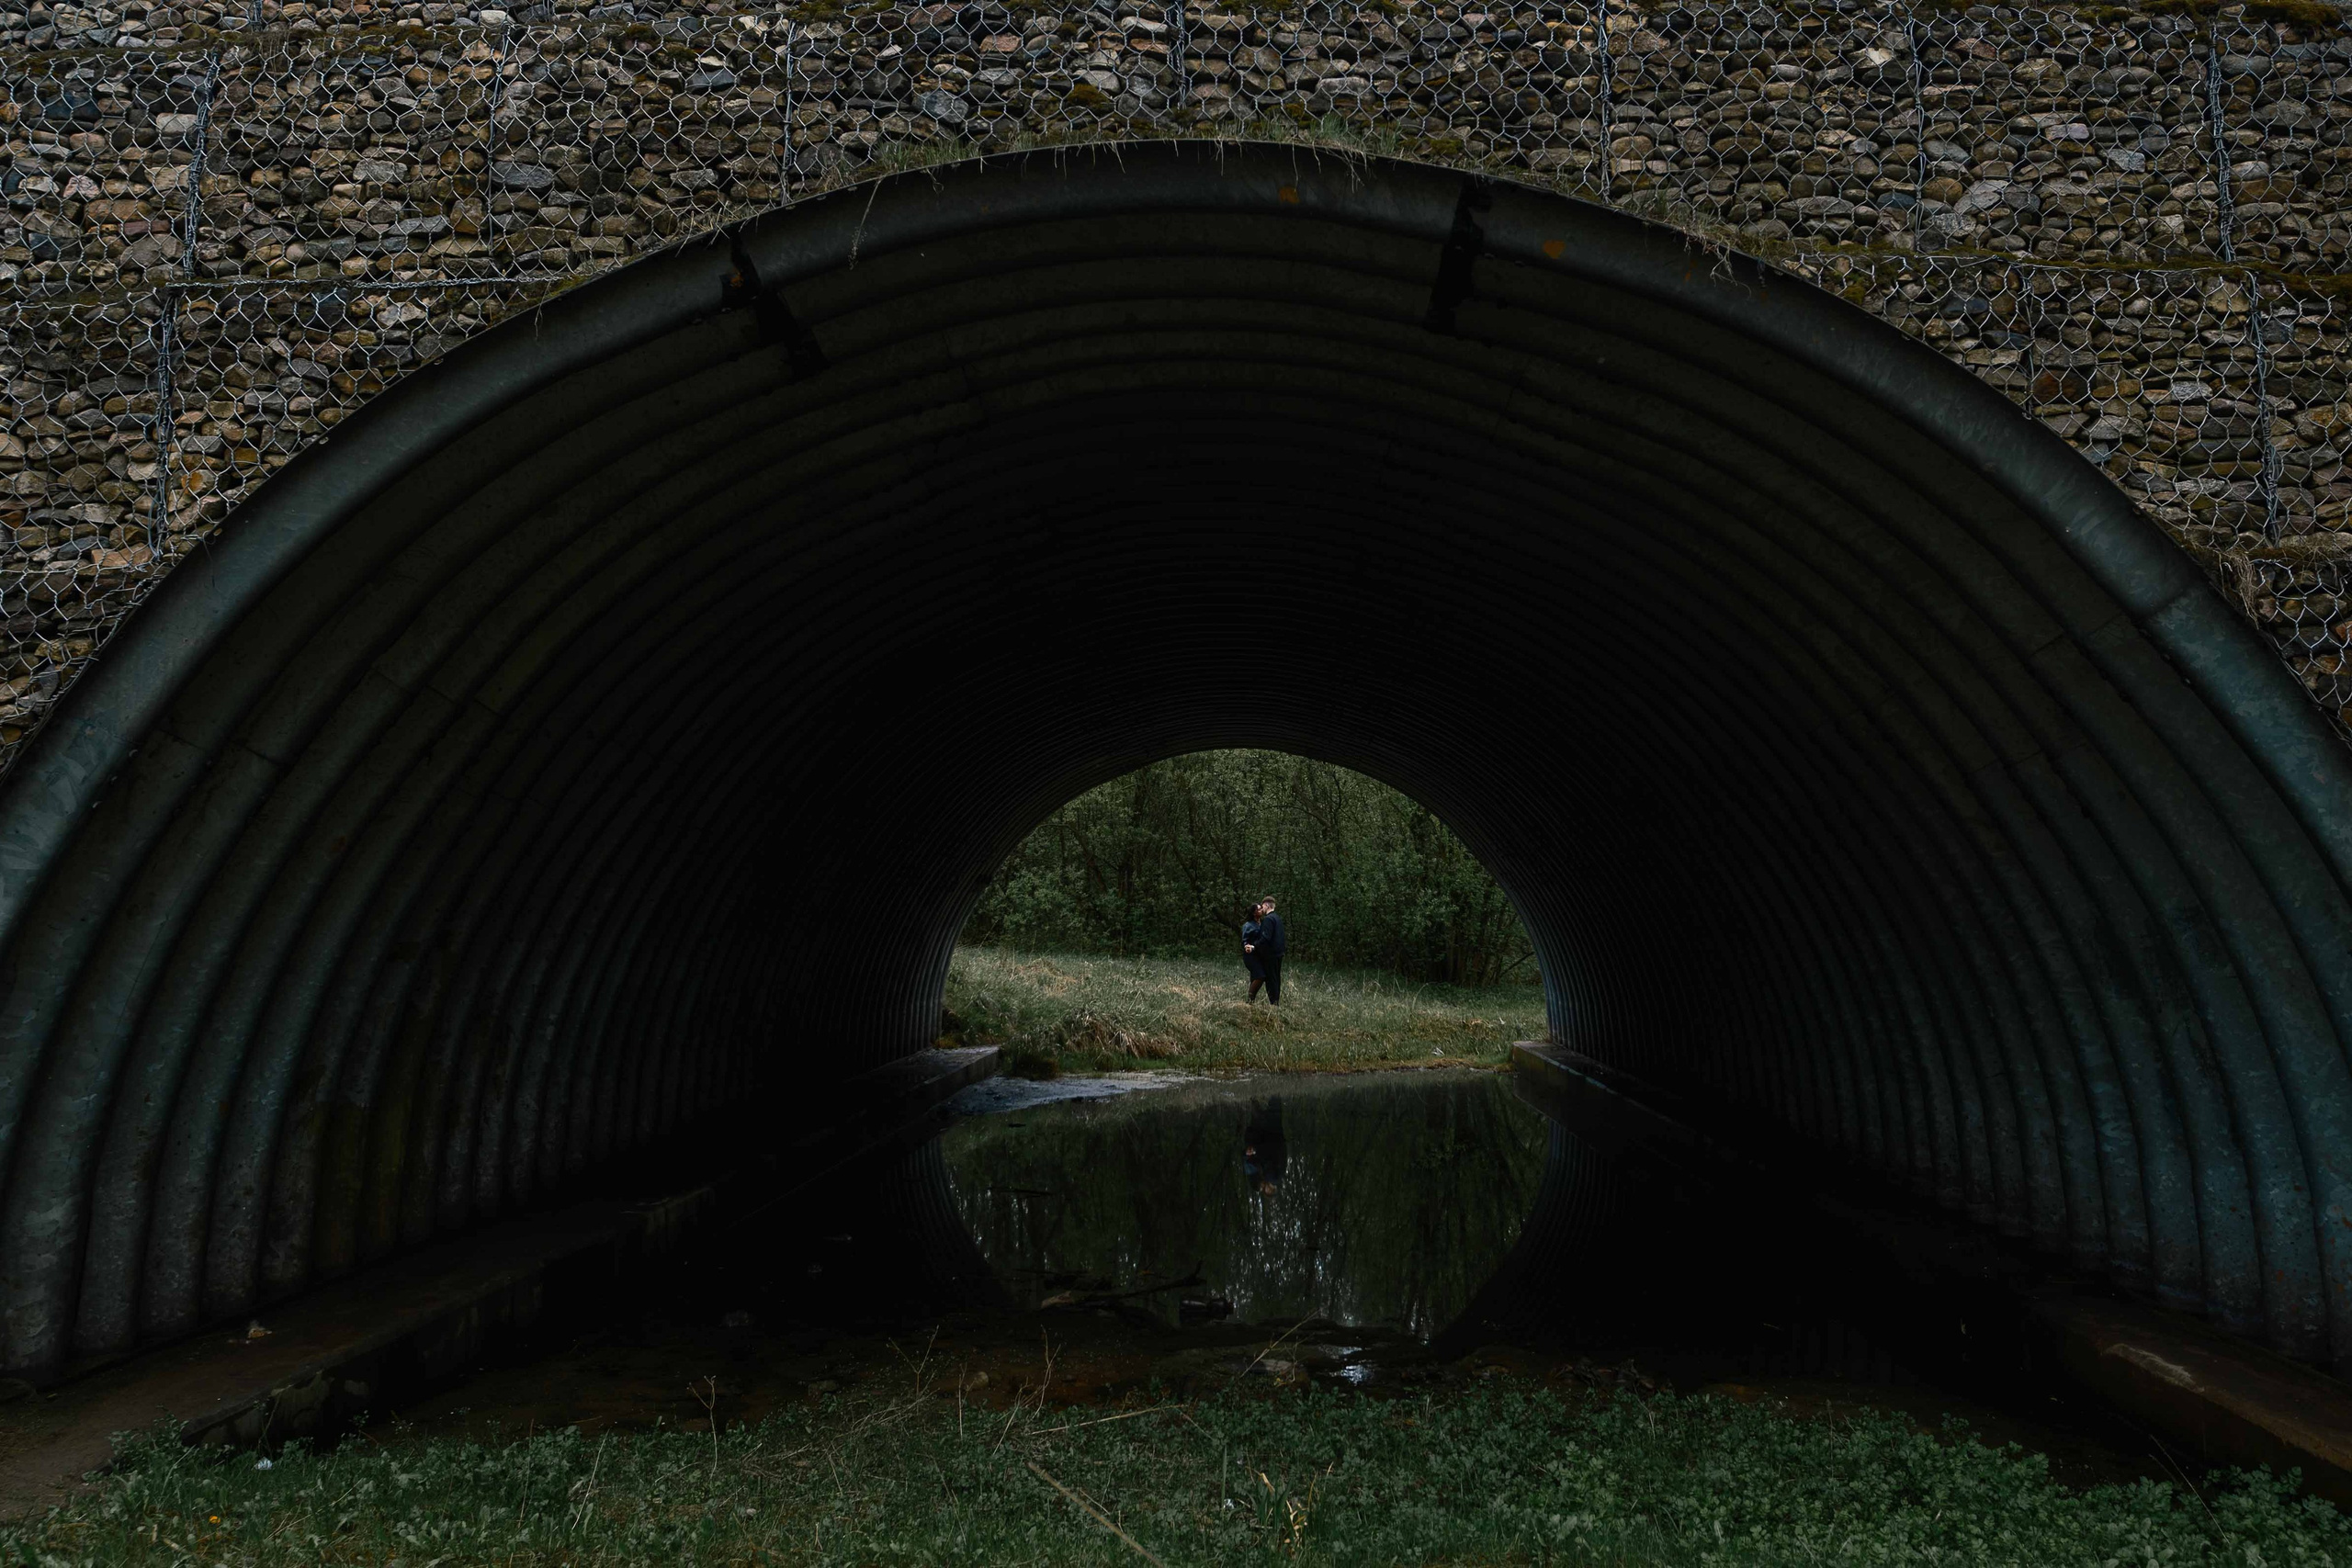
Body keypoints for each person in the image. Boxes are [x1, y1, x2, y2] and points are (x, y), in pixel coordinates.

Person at [1243, 896, 1286, 1005]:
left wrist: (1254, 946)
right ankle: (1273, 1002)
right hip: (1278, 954)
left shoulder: (1267, 919)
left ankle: (1273, 1003)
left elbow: (1266, 938)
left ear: (1266, 906)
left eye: (1262, 907)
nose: (1262, 909)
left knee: (1271, 980)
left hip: (1271, 955)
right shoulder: (1277, 918)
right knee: (1275, 979)